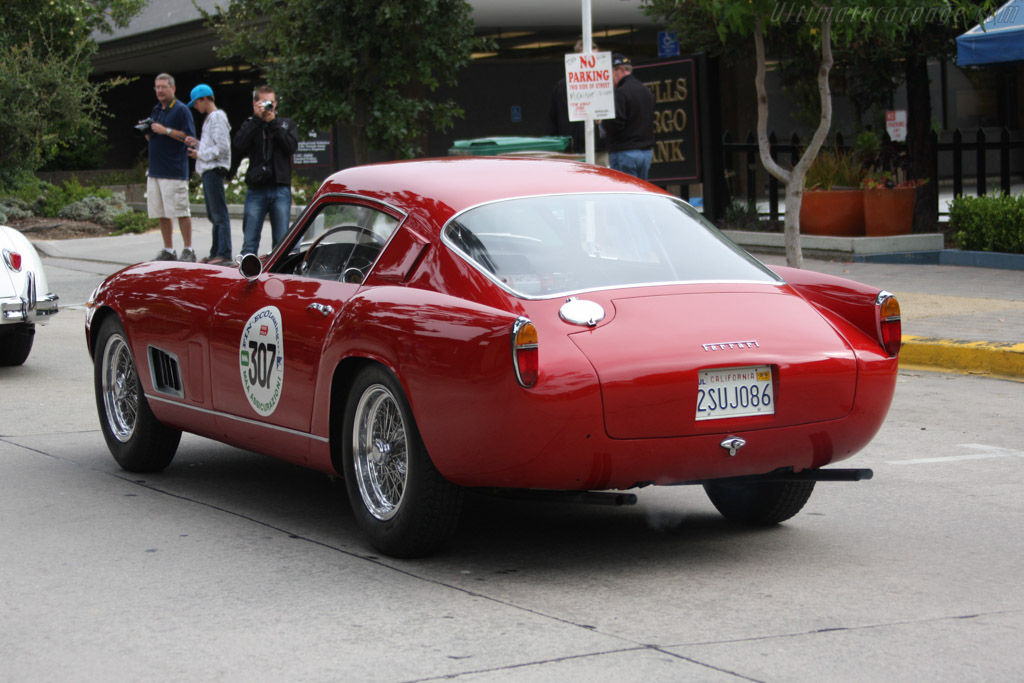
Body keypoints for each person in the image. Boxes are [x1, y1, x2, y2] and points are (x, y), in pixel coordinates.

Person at [233, 85, 298, 256]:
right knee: (250, 242)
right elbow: (238, 145)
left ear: (276, 103)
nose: (268, 107)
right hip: (256, 189)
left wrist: (273, 123)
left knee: (281, 241)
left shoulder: (285, 124)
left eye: (271, 102)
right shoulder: (251, 124)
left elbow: (291, 147)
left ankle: (279, 277)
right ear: (255, 104)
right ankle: (248, 272)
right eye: (263, 103)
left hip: (280, 187)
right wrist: (256, 119)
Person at [143, 73, 197, 261]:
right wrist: (149, 132)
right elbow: (155, 132)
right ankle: (169, 250)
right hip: (156, 169)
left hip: (174, 170)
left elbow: (189, 138)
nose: (160, 90)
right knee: (161, 212)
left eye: (163, 87)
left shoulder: (181, 110)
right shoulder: (156, 110)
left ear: (173, 89)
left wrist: (165, 131)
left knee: (181, 210)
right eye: (157, 87)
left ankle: (189, 249)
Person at [184, 84, 232, 264]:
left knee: (219, 213)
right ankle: (216, 252)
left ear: (205, 99)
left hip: (213, 169)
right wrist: (197, 144)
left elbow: (222, 147)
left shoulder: (217, 117)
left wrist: (200, 154)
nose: (195, 107)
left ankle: (223, 253)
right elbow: (214, 144)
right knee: (214, 214)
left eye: (196, 103)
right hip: (210, 169)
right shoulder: (212, 118)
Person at [546, 39, 608, 165]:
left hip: (598, 149)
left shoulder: (604, 85)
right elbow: (554, 119)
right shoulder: (562, 87)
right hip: (572, 150)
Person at [601, 54, 655, 180]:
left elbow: (616, 123)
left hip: (624, 151)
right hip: (645, 152)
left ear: (621, 70)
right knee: (640, 194)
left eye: (611, 72)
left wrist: (602, 123)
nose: (610, 78)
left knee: (624, 194)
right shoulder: (645, 90)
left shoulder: (621, 92)